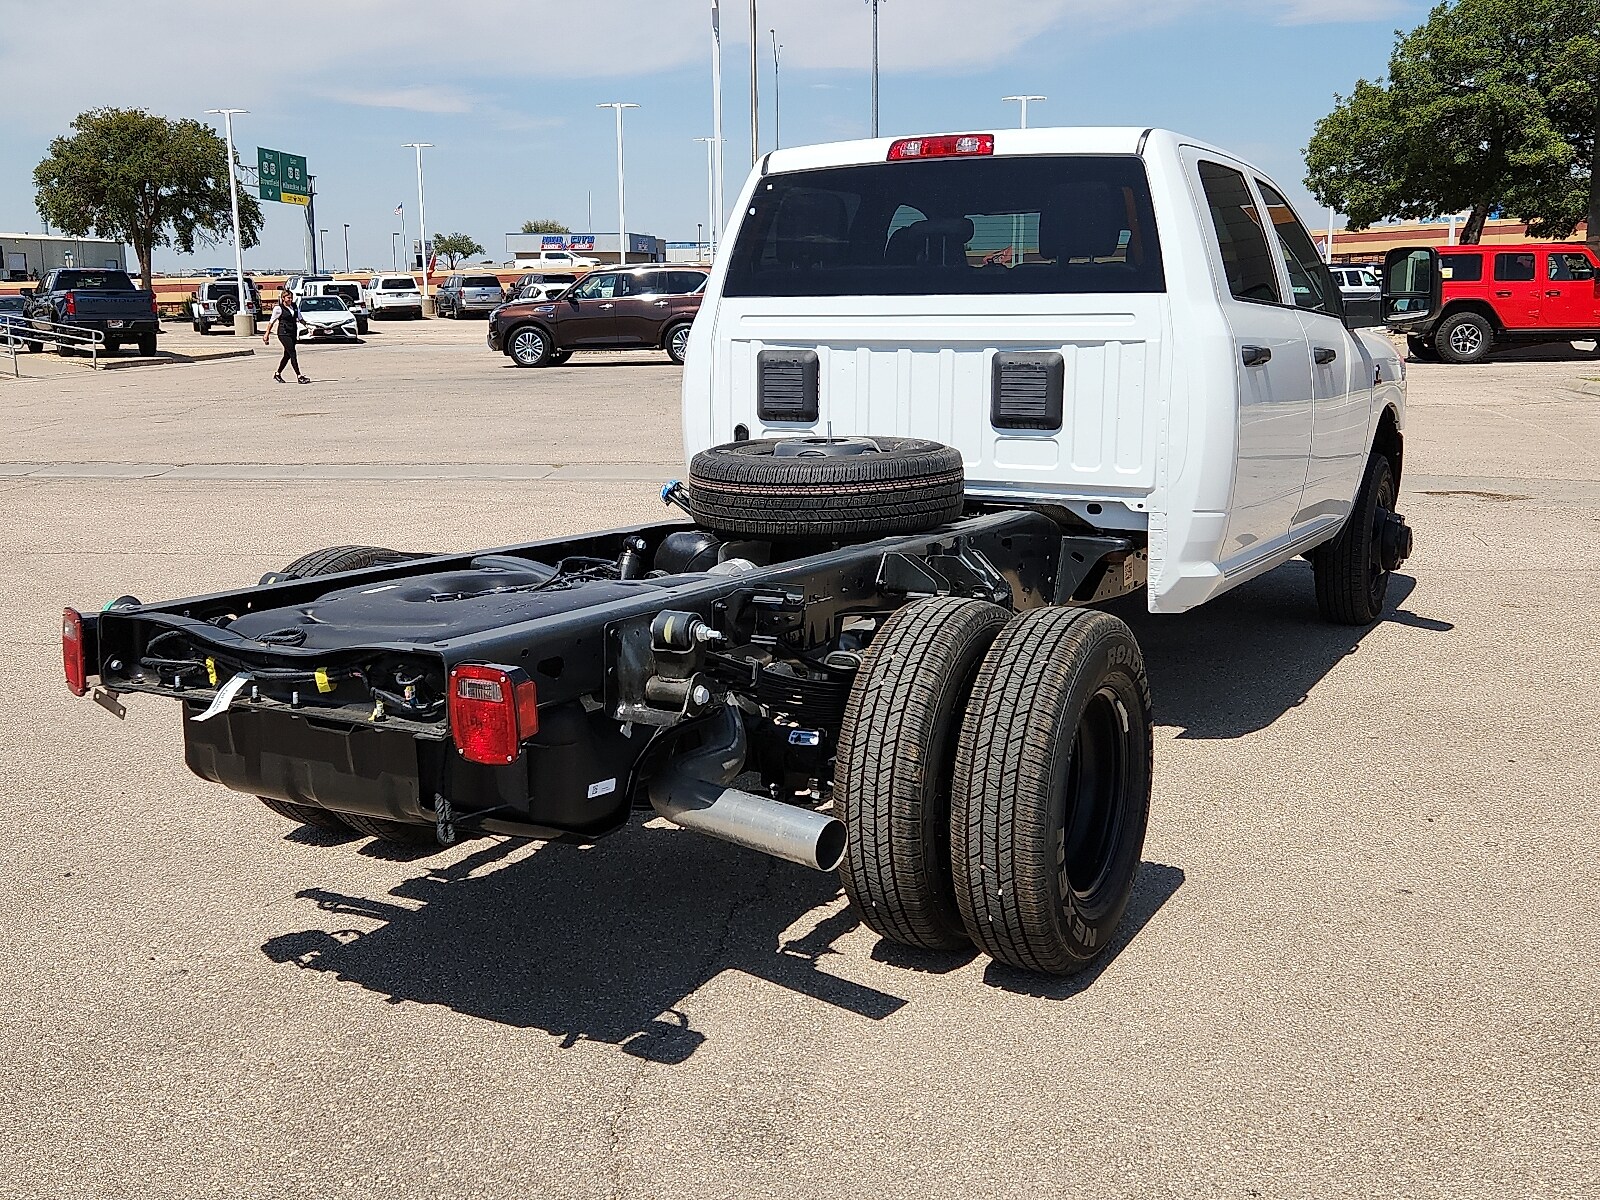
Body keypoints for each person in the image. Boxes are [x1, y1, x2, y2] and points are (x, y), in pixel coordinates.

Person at [263, 288, 309, 383]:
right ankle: (299, 376)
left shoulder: (294, 306)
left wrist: (308, 327)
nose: (290, 300)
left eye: (291, 298)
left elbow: (300, 319)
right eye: (288, 298)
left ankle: (277, 373)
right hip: (283, 333)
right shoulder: (278, 308)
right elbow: (272, 322)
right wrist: (267, 333)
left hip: (293, 332)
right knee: (292, 353)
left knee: (287, 355)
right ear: (283, 298)